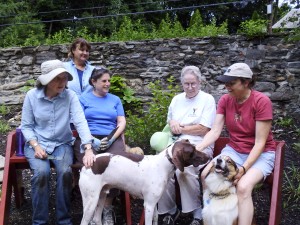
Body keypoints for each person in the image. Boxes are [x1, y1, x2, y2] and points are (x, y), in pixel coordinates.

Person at [196, 63, 276, 225]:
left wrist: (244, 168)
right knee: (205, 175)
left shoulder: (261, 101)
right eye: (226, 83)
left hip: (261, 154)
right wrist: (197, 149)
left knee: (243, 187)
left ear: (246, 82)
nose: (227, 87)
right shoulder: (225, 100)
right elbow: (215, 131)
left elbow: (260, 143)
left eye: (231, 83)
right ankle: (213, 218)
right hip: (234, 151)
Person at [21, 59, 95, 225]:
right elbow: (26, 126)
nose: (63, 82)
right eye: (57, 78)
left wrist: (88, 147)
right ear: (46, 80)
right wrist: (36, 146)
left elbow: (80, 121)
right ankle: (39, 222)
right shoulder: (32, 96)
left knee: (66, 173)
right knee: (42, 174)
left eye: (65, 78)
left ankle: (64, 221)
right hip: (37, 144)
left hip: (62, 144)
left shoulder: (70, 96)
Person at [157, 66, 216, 225]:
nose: (190, 87)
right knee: (161, 166)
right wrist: (173, 123)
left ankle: (197, 212)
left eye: (193, 84)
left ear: (200, 82)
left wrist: (181, 127)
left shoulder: (207, 99)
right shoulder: (176, 99)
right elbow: (170, 120)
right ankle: (170, 210)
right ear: (182, 83)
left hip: (200, 145)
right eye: (186, 84)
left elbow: (204, 128)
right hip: (176, 143)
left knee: (184, 169)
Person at [76, 67, 126, 225]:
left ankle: (107, 208)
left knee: (117, 167)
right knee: (91, 167)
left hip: (111, 137)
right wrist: (90, 140)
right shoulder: (83, 99)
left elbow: (121, 121)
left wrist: (112, 139)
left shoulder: (115, 100)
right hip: (88, 138)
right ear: (93, 82)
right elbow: (78, 122)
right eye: (104, 81)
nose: (107, 83)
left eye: (109, 81)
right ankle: (91, 212)